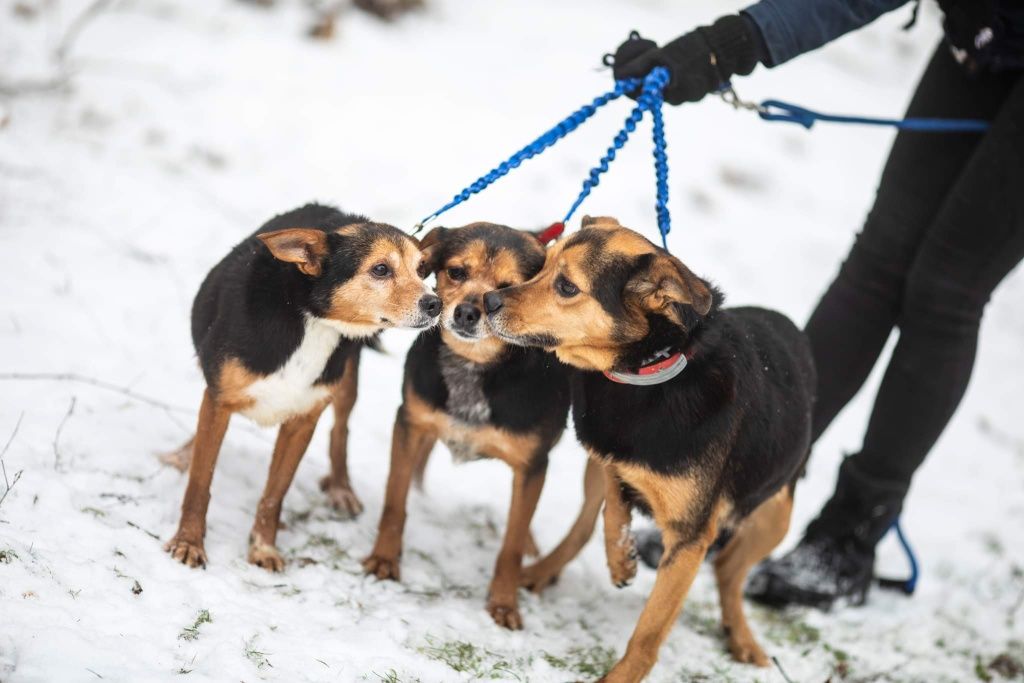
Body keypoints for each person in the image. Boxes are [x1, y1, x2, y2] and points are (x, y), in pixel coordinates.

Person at [610, 0, 1024, 609]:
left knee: (947, 290)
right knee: (876, 266)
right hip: (987, 39)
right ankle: (744, 486)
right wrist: (723, 46)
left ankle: (850, 534)